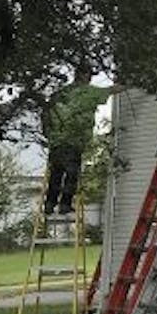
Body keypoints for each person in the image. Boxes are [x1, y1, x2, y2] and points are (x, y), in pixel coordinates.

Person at [42, 67, 110, 215]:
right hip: (73, 142)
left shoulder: (59, 94)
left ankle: (50, 204)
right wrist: (135, 82)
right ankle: (65, 204)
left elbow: (46, 112)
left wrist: (48, 133)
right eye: (89, 75)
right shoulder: (88, 92)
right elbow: (111, 90)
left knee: (56, 174)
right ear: (82, 75)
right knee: (71, 175)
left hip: (57, 143)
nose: (90, 79)